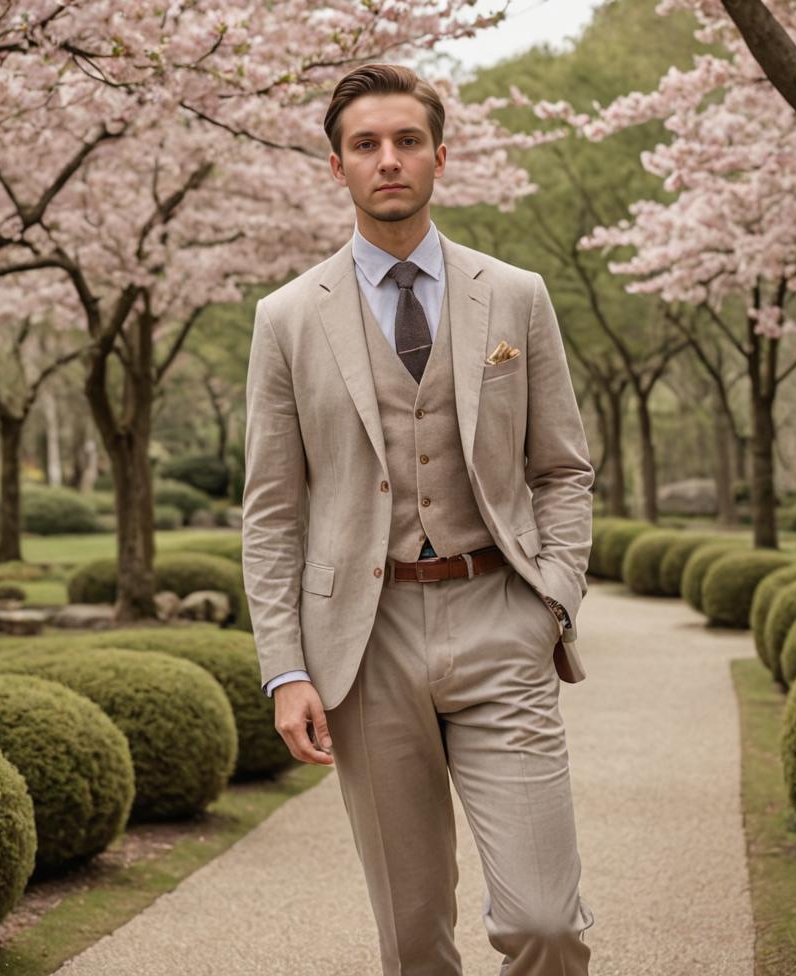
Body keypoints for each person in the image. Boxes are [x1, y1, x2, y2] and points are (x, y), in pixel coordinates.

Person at [242, 61, 595, 975]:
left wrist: (552, 598)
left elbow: (561, 467)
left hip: (498, 617)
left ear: (441, 157)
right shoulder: (285, 319)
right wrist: (286, 667)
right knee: (412, 939)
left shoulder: (516, 295)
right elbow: (273, 511)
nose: (387, 160)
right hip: (365, 640)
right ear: (337, 167)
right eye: (365, 145)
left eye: (406, 142)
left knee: (545, 922)